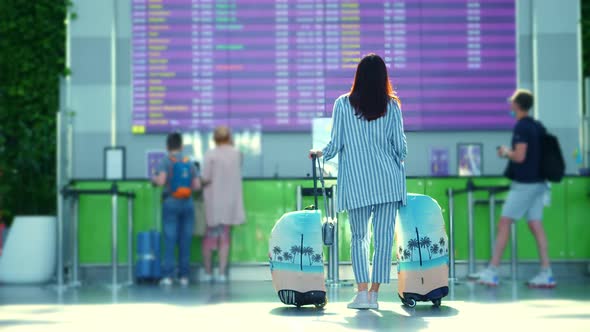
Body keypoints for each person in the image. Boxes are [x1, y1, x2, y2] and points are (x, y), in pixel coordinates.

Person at [309, 54, 407, 310]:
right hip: (388, 182)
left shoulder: (342, 104)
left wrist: (320, 153)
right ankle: (375, 294)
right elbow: (401, 148)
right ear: (383, 77)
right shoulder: (392, 106)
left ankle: (362, 292)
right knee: (384, 238)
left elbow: (335, 143)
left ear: (358, 76)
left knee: (359, 236)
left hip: (356, 183)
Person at [473, 89, 555, 288]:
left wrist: (505, 152)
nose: (510, 105)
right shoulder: (537, 126)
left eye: (512, 102)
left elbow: (519, 156)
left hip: (525, 184)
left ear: (518, 105)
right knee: (535, 224)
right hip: (540, 184)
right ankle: (547, 272)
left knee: (504, 222)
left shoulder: (522, 128)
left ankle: (492, 270)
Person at [152, 132, 201, 287]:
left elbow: (160, 182)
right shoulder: (189, 162)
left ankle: (168, 276)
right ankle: (184, 276)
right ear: (181, 146)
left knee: (169, 239)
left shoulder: (165, 161)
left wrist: (154, 178)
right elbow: (197, 185)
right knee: (185, 240)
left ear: (167, 146)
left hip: (171, 202)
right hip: (187, 203)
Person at [200, 126, 245, 283]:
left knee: (209, 238)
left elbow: (205, 177)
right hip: (230, 203)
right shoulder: (237, 154)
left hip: (213, 202)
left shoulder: (210, 155)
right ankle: (221, 273)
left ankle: (207, 272)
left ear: (214, 138)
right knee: (224, 236)